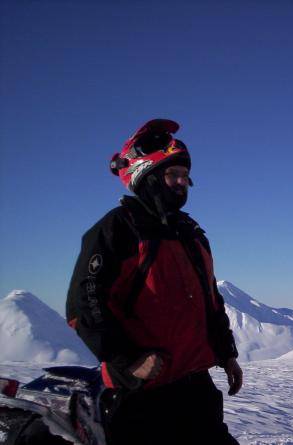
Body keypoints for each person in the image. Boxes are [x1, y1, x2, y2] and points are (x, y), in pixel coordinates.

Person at [66, 119, 242, 445]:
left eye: (186, 177)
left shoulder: (191, 234)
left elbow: (209, 300)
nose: (182, 183)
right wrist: (129, 360)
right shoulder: (118, 229)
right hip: (141, 392)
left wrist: (226, 352)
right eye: (173, 175)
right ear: (146, 176)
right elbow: (84, 305)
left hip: (195, 385)